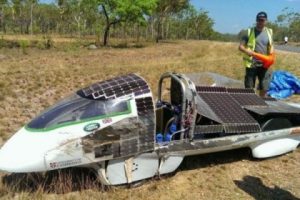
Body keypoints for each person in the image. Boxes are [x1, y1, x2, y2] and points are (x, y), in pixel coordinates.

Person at [239, 11, 274, 97]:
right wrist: (248, 51)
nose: (260, 22)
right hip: (252, 64)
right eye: (259, 20)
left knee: (264, 87)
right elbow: (240, 47)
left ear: (266, 21)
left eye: (262, 20)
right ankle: (250, 105)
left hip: (265, 65)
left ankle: (262, 105)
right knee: (249, 88)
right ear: (256, 20)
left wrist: (272, 53)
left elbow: (271, 45)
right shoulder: (249, 32)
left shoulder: (269, 32)